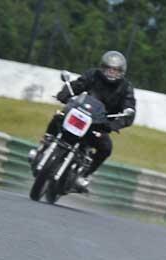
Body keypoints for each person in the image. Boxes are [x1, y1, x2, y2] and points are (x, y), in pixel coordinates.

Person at [42, 51, 136, 192]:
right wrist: (65, 94)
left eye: (116, 70)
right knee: (59, 116)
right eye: (109, 68)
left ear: (121, 72)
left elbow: (129, 111)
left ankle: (84, 175)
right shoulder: (93, 74)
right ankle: (46, 142)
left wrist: (113, 125)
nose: (111, 72)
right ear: (102, 67)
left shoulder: (125, 88)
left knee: (106, 148)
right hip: (79, 113)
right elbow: (77, 85)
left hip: (99, 124)